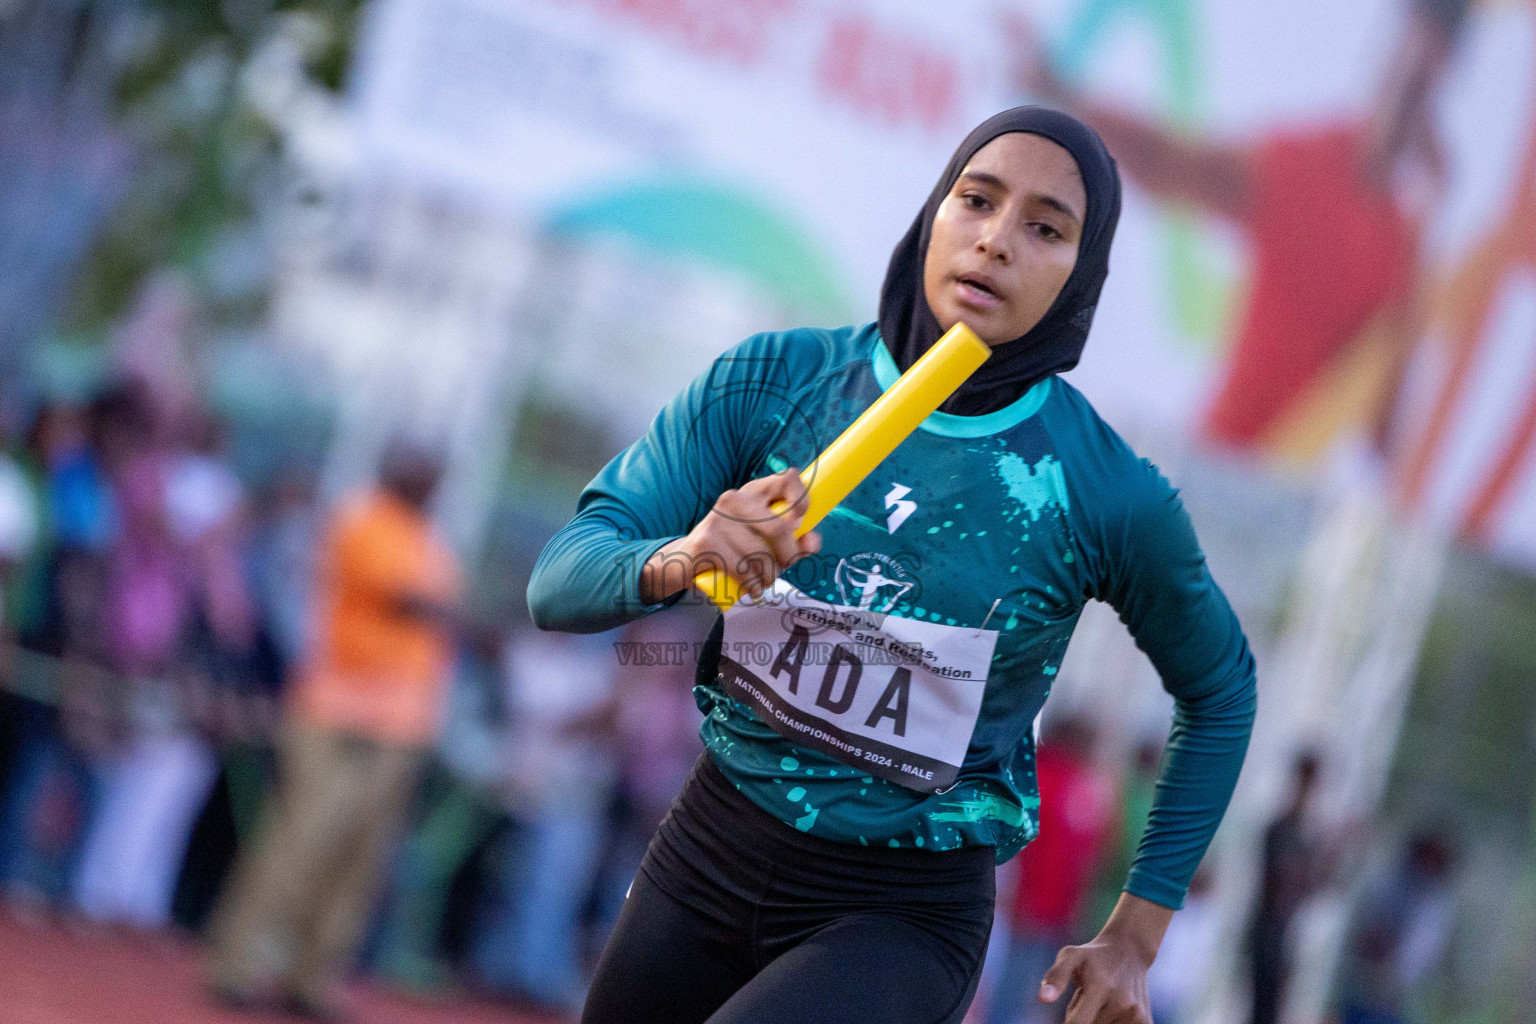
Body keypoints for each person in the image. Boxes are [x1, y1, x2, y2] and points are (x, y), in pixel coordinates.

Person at [529, 105, 1258, 1024]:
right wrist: (683, 557)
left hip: (900, 918)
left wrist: (1137, 931)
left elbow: (1222, 691)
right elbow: (559, 579)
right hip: (707, 852)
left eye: (1045, 228)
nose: (996, 242)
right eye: (977, 200)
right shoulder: (775, 382)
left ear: (1084, 273)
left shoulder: (1103, 493)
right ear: (933, 215)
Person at [1006, 0, 1471, 459]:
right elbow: (1170, 164)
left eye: (1427, 70)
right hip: (1220, 459)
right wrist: (1063, 93)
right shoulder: (1313, 164)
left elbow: (1384, 432)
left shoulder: (1412, 237)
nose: (1411, 77)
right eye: (1407, 54)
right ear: (1387, 50)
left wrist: (1432, 226)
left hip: (1289, 496)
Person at [208, 441, 461, 1019]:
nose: (436, 479)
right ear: (399, 469)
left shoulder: (430, 540)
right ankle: (241, 960)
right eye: (427, 468)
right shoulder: (363, 519)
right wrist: (480, 621)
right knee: (303, 839)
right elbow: (408, 602)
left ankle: (311, 976)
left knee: (358, 860)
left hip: (403, 723)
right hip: (340, 713)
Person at [985, 716, 1118, 1024]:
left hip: (1054, 914)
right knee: (1008, 993)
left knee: (1028, 995)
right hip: (1026, 910)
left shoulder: (1082, 784)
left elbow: (1091, 854)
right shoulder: (1040, 778)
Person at [1247, 750, 1328, 1024]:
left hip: (1284, 936)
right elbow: (1281, 884)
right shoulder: (1281, 829)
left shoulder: (1304, 834)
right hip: (1269, 935)